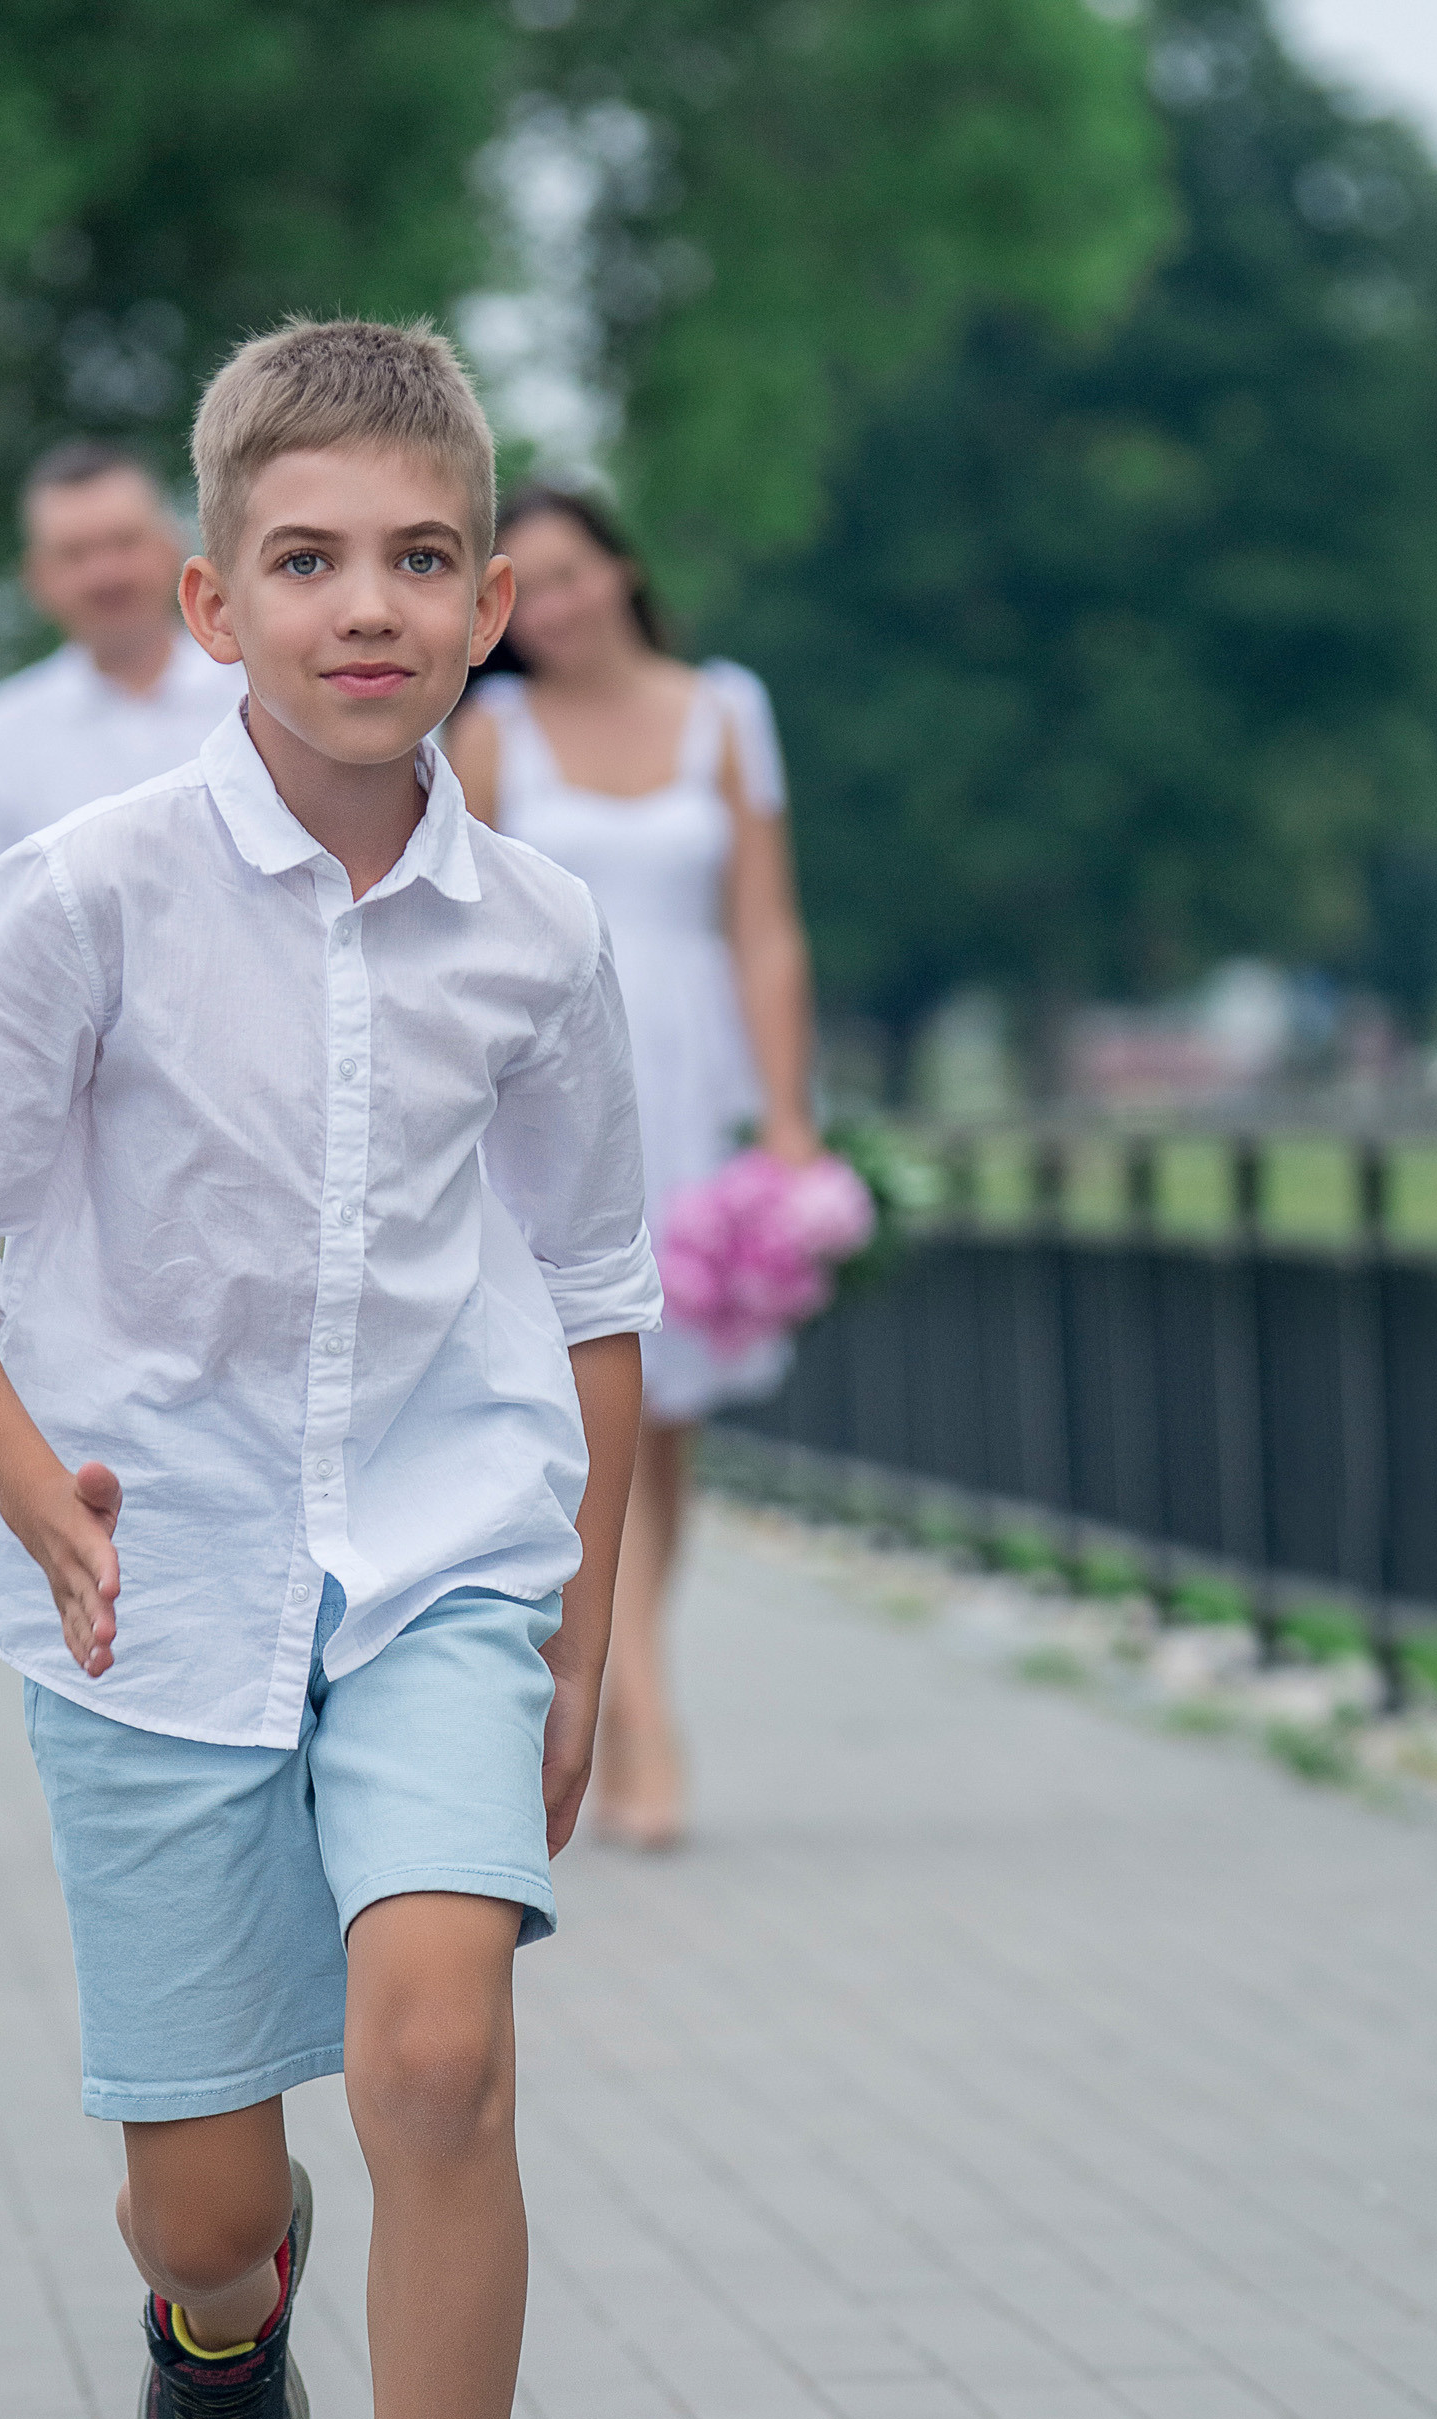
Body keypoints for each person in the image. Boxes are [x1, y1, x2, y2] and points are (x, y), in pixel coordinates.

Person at [0, 321, 657, 2419]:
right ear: (209, 599)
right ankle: (224, 2312)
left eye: (419, 559)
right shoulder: (75, 896)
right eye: (305, 560)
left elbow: (601, 1282)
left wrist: (577, 1635)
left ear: (490, 595)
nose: (365, 606)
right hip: (151, 1589)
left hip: (438, 1551)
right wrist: (37, 1495)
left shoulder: (531, 933)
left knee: (433, 2057)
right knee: (207, 2197)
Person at [448, 489, 817, 1850]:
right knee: (599, 1405)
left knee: (673, 1425)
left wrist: (786, 1117)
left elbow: (766, 926)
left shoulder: (727, 709)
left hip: (700, 1078)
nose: (554, 605)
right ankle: (645, 1723)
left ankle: (608, 1677)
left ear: (622, 568)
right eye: (522, 587)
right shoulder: (490, 736)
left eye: (571, 572)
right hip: (560, 1090)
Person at [0, 438, 245, 939]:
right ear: (37, 578)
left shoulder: (264, 695)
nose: (104, 574)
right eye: (75, 554)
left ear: (173, 550)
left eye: (124, 543)